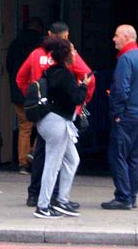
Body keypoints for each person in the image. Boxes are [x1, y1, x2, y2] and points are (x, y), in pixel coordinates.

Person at [16, 21, 95, 209]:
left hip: (43, 113)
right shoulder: (65, 69)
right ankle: (48, 202)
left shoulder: (36, 55)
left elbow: (21, 77)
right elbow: (88, 77)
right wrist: (81, 103)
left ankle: (36, 194)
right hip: (58, 117)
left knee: (43, 155)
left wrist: (35, 99)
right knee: (54, 162)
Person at [32, 38, 88, 219]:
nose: (74, 54)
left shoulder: (50, 72)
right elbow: (76, 98)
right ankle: (43, 206)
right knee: (52, 165)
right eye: (72, 51)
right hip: (57, 123)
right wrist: (84, 86)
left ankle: (62, 200)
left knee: (72, 159)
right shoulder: (65, 75)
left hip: (48, 121)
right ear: (65, 55)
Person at [102, 23, 138, 211]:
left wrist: (116, 113)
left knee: (118, 155)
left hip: (127, 115)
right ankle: (132, 194)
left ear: (126, 37)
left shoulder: (125, 60)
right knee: (135, 158)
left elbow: (121, 89)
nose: (113, 39)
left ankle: (123, 196)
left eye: (116, 35)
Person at [5, 17, 46, 170]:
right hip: (37, 92)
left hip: (18, 93)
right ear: (40, 29)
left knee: (24, 127)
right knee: (43, 125)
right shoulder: (41, 46)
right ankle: (33, 153)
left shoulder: (15, 43)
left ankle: (23, 162)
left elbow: (9, 66)